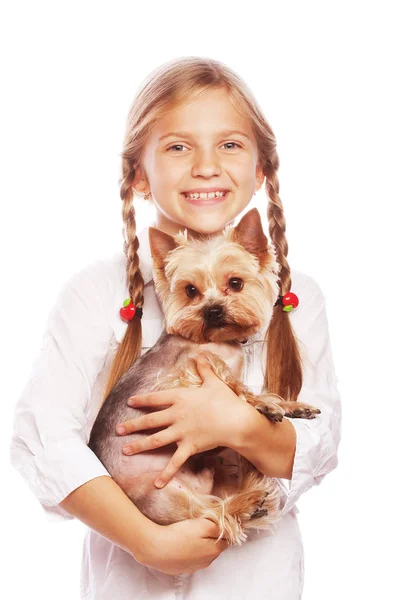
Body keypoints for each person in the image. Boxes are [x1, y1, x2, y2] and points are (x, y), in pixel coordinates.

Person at [9, 56, 342, 599]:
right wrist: (146, 539)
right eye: (178, 146)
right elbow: (41, 440)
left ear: (261, 169)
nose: (206, 167)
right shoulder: (95, 292)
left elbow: (319, 445)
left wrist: (236, 424)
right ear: (138, 174)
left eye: (230, 145)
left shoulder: (295, 297)